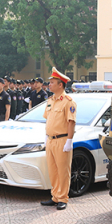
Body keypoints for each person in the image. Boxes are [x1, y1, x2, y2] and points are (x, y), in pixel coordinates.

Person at [40, 67, 77, 211]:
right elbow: (48, 119)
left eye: (52, 82)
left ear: (60, 84)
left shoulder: (68, 102)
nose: (49, 85)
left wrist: (69, 140)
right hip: (50, 139)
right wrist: (45, 136)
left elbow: (71, 122)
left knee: (63, 170)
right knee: (53, 170)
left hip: (62, 140)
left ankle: (63, 198)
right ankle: (55, 196)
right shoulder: (50, 100)